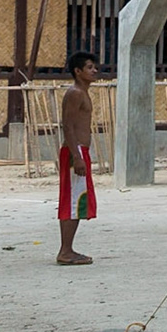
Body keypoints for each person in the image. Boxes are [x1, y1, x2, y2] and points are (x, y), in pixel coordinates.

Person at [56, 52, 99, 265]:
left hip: (80, 151)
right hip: (76, 152)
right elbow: (68, 126)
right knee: (73, 201)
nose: (94, 71)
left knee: (77, 200)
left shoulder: (82, 92)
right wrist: (77, 156)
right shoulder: (75, 93)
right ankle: (66, 250)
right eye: (89, 67)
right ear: (78, 71)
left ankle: (68, 248)